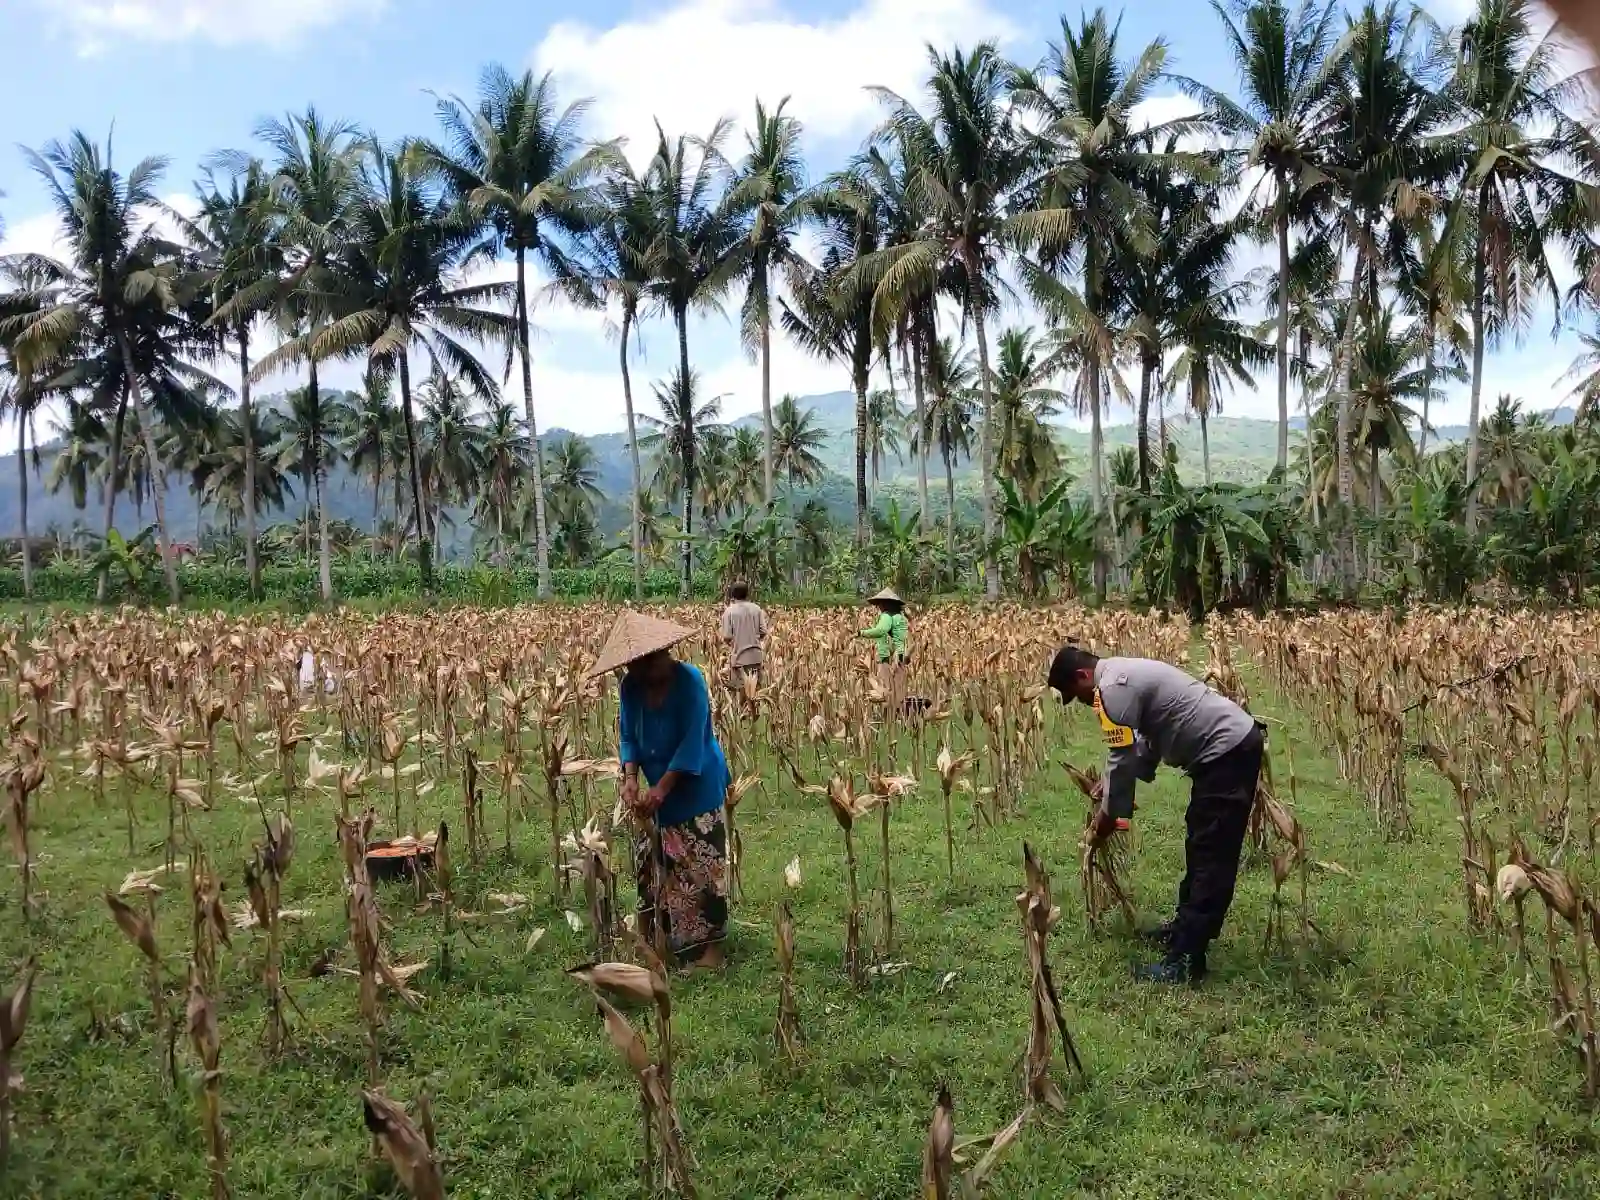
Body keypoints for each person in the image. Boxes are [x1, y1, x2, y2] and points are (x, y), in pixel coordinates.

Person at [1048, 644, 1265, 985]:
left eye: (1078, 695)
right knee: (1200, 844)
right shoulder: (1122, 674)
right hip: (1225, 751)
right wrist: (1111, 785)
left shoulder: (1112, 688)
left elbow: (1121, 757)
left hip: (1228, 752)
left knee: (1211, 853)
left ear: (1082, 675)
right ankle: (1184, 930)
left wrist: (1106, 820)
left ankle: (1186, 961)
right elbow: (1145, 741)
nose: (1084, 702)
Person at [589, 611, 731, 971]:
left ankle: (710, 950)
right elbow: (628, 736)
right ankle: (659, 938)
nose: (643, 674)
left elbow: (693, 742)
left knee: (702, 867)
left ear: (664, 654)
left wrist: (662, 789)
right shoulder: (630, 687)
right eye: (634, 667)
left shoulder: (690, 681)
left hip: (696, 784)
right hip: (655, 791)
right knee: (652, 863)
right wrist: (630, 777)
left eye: (648, 665)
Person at [858, 587, 910, 701]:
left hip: (887, 657)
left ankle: (891, 711)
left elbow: (880, 631)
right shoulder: (900, 617)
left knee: (886, 691)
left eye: (880, 603)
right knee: (897, 691)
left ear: (885, 603)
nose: (878, 607)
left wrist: (861, 633)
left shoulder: (887, 616)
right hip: (900, 654)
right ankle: (899, 710)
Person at [719, 580, 768, 690]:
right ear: (747, 594)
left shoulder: (729, 612)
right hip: (756, 657)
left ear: (732, 595)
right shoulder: (756, 609)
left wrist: (734, 644)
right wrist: (753, 640)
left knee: (741, 692)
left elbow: (727, 637)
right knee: (756, 692)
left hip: (739, 659)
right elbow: (763, 632)